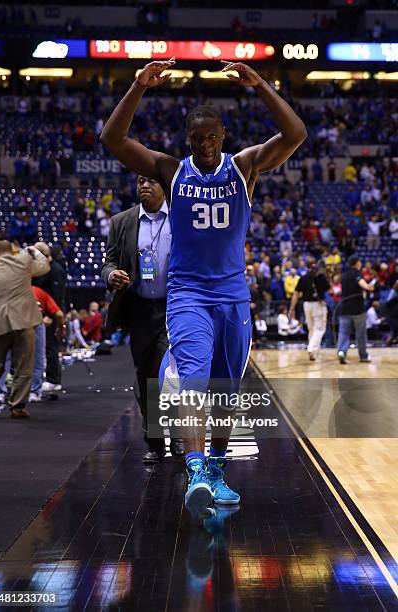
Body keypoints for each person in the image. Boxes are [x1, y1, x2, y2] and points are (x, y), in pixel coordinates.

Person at [100, 58, 306, 519]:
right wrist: (138, 85)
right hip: (189, 294)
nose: (207, 145)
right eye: (198, 139)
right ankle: (194, 469)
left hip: (233, 297)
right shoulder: (172, 172)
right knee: (193, 384)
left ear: (223, 137)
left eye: (213, 138)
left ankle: (215, 469)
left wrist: (260, 85)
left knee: (225, 392)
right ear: (188, 141)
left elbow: (295, 135)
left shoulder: (245, 167)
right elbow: (112, 139)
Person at [102, 175, 184, 462]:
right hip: (138, 309)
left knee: (169, 374)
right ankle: (154, 439)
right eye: (140, 181)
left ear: (165, 187)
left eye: (151, 181)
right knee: (144, 376)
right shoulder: (121, 221)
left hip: (173, 307)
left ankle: (176, 434)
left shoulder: (180, 216)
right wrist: (111, 275)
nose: (144, 186)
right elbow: (109, 261)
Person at [0, 241, 49, 418]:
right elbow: (44, 267)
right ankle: (18, 407)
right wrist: (34, 252)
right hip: (23, 322)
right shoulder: (23, 260)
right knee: (24, 367)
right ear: (12, 251)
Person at [32, 242, 66, 392]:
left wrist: (51, 316)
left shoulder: (55, 270)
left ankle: (54, 380)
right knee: (42, 348)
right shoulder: (39, 269)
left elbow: (57, 295)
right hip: (39, 313)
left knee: (51, 346)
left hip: (51, 313)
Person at [336, 255, 376, 364]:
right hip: (358, 309)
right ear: (357, 263)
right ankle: (363, 356)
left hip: (344, 308)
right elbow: (363, 284)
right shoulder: (357, 274)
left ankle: (341, 351)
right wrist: (369, 287)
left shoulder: (343, 276)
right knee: (361, 334)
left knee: (343, 332)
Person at [30, 285, 66, 402]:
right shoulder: (38, 291)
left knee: (8, 361)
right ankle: (34, 392)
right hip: (35, 324)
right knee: (37, 360)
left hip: (13, 324)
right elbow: (59, 314)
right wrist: (61, 330)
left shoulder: (11, 289)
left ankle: (0, 392)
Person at [289, 259, 329, 361]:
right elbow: (329, 288)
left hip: (306, 305)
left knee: (311, 329)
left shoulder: (303, 278)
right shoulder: (321, 277)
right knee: (319, 329)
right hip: (318, 304)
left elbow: (296, 293)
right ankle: (311, 348)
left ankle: (315, 351)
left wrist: (292, 308)